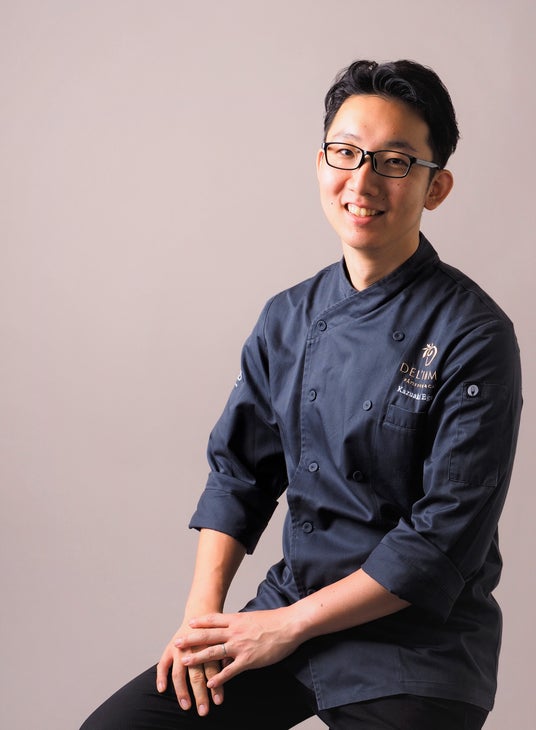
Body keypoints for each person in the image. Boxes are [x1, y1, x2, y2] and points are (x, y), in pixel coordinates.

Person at [80, 59, 522, 730]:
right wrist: (201, 621)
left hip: (416, 643)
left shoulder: (474, 333)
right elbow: (239, 474)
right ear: (320, 163)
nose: (362, 182)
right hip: (290, 605)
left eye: (395, 162)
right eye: (345, 153)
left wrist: (289, 626)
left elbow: (441, 538)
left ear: (436, 186)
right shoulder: (287, 317)